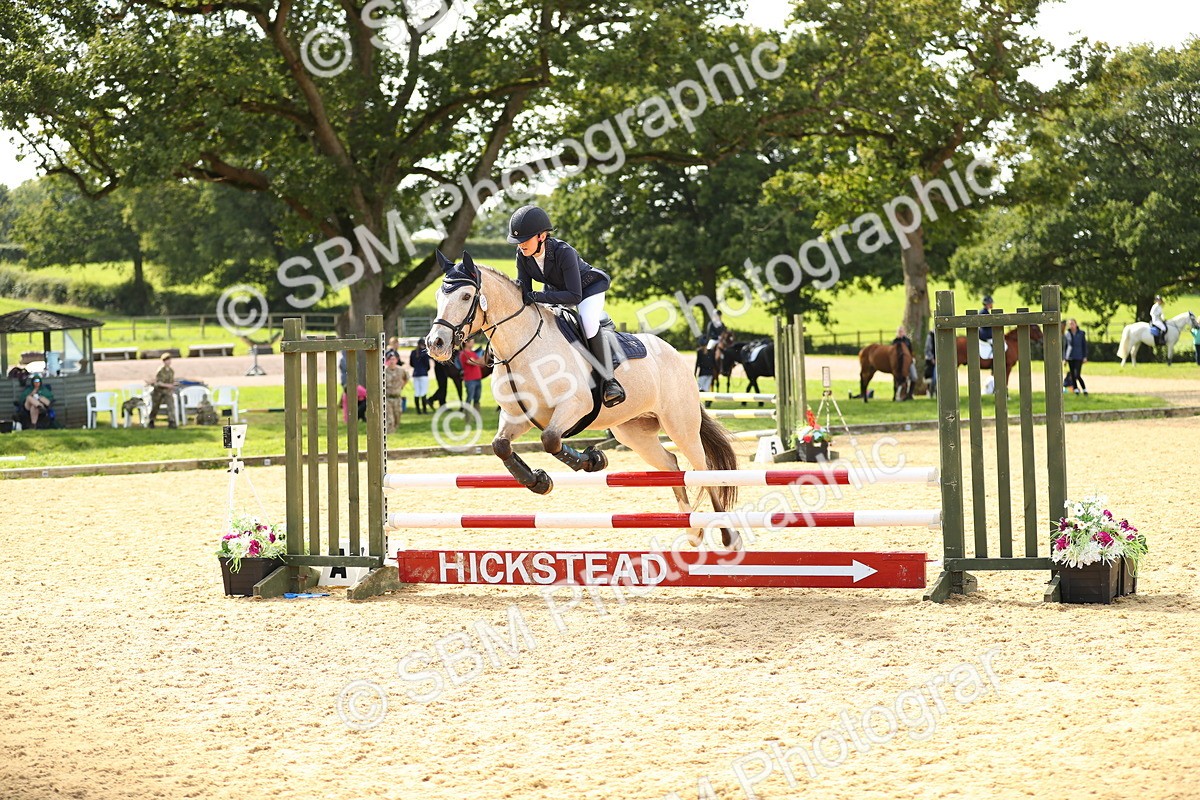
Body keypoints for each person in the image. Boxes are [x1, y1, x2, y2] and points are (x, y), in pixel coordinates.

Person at [508, 204, 624, 407]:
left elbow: (574, 296)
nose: (520, 245)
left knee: (587, 321)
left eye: (524, 240)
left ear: (541, 236)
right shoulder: (523, 256)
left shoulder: (564, 252)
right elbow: (525, 292)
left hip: (587, 290)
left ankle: (609, 381)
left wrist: (537, 296)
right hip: (554, 292)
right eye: (518, 242)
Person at [147, 353, 177, 429]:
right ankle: (151, 420)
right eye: (167, 360)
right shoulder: (161, 370)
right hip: (158, 392)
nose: (169, 362)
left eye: (169, 360)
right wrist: (168, 385)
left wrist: (173, 384)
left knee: (171, 406)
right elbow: (158, 383)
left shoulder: (171, 371)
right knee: (155, 407)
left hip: (167, 392)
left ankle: (171, 421)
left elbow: (171, 381)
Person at [384, 352, 411, 433]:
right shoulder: (384, 371)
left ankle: (395, 431)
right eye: (390, 359)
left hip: (397, 398)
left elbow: (407, 378)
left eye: (393, 359)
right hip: (387, 398)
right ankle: (390, 435)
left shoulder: (401, 370)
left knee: (397, 417)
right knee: (390, 419)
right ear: (387, 360)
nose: (392, 361)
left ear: (396, 360)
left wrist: (402, 386)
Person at [1063, 318, 1088, 396]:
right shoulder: (1067, 333)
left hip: (1079, 355)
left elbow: (1084, 345)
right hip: (1070, 356)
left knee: (1077, 374)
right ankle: (1076, 389)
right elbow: (1066, 346)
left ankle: (1084, 389)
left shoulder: (1081, 333)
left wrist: (1085, 356)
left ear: (1076, 324)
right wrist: (1065, 358)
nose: (1071, 325)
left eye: (1072, 323)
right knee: (1072, 375)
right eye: (1070, 324)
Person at [459, 342, 485, 409]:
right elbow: (474, 362)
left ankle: (477, 416)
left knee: (477, 399)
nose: (473, 343)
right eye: (472, 342)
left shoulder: (473, 353)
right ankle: (467, 417)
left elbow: (481, 363)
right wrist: (484, 356)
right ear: (466, 343)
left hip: (477, 378)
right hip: (470, 379)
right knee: (469, 398)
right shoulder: (464, 354)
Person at [409, 339, 430, 414]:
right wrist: (426, 369)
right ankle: (424, 410)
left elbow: (411, 364)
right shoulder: (425, 353)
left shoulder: (413, 352)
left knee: (417, 392)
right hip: (423, 374)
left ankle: (418, 410)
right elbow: (427, 365)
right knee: (423, 392)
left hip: (415, 374)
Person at [978, 295, 995, 360]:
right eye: (991, 303)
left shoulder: (986, 312)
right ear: (988, 304)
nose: (992, 304)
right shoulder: (983, 312)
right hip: (985, 335)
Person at [924, 328, 936, 396]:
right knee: (933, 378)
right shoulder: (930, 336)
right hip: (932, 360)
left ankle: (933, 392)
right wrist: (931, 358)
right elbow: (927, 349)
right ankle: (930, 392)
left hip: (938, 360)